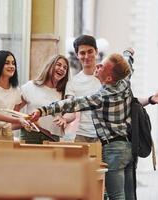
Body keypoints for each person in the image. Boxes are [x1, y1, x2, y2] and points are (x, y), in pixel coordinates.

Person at [29, 53, 137, 200]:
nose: (97, 65)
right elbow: (127, 64)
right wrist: (128, 53)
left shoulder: (102, 97)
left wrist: (42, 110)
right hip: (129, 147)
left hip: (114, 150)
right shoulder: (124, 81)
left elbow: (72, 103)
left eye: (102, 66)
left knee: (116, 196)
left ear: (109, 78)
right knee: (130, 195)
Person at [63, 35, 158, 143]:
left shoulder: (110, 75)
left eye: (90, 51)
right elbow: (70, 110)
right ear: (77, 55)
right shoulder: (73, 83)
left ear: (96, 51)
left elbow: (128, 103)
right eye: (82, 53)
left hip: (107, 138)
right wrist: (64, 119)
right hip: (83, 137)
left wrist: (151, 99)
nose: (86, 56)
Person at [18, 54, 70, 143]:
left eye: (65, 68)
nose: (62, 69)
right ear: (50, 66)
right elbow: (15, 110)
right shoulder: (31, 86)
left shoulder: (64, 93)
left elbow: (72, 113)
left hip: (52, 137)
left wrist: (64, 119)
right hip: (30, 134)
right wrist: (23, 121)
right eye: (58, 64)